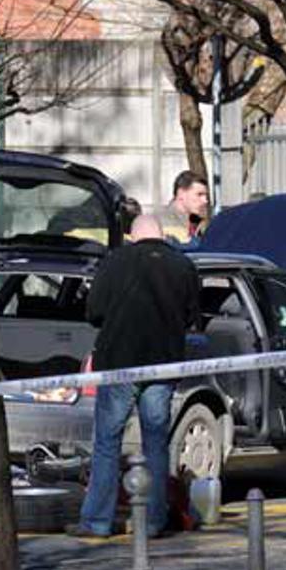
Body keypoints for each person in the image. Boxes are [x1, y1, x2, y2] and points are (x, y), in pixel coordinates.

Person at [71, 215, 200, 539]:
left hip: (119, 365)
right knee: (156, 443)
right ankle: (154, 521)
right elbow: (192, 317)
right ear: (161, 235)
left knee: (107, 444)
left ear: (132, 236)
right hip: (163, 366)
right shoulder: (182, 265)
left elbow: (93, 313)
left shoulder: (115, 262)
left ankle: (97, 522)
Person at [154, 170, 209, 245]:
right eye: (199, 194)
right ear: (181, 194)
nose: (205, 201)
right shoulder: (163, 223)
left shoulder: (197, 223)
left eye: (206, 196)